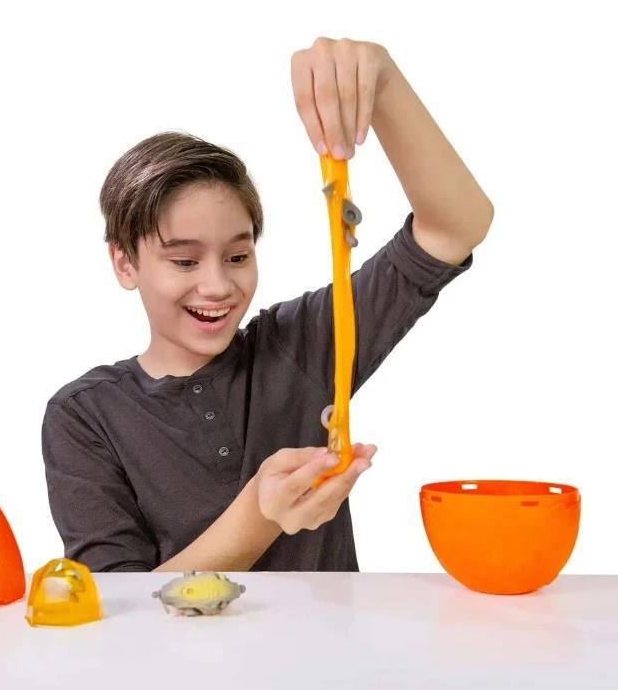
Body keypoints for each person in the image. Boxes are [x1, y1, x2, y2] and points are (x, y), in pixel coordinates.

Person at [41, 37, 494, 572]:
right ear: (125, 263)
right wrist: (261, 515)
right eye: (184, 261)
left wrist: (385, 81)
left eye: (237, 256)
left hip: (337, 632)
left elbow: (453, 229)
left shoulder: (298, 345)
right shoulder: (85, 416)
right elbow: (116, 605)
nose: (217, 286)